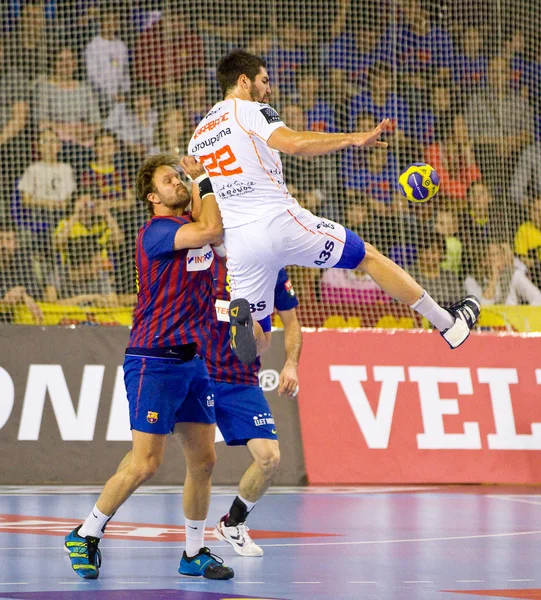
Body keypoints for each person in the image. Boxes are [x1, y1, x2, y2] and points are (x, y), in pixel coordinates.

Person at [188, 50, 480, 364]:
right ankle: (448, 324)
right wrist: (354, 138)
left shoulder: (197, 138)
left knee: (260, 342)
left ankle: (242, 326)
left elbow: (201, 212)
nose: (269, 89)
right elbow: (295, 143)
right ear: (243, 81)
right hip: (278, 221)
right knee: (367, 256)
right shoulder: (249, 109)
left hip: (240, 244)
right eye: (264, 80)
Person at [64, 154, 233, 580]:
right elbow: (212, 228)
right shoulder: (158, 231)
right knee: (145, 464)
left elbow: (219, 229)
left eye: (179, 177)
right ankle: (86, 533)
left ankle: (194, 553)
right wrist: (201, 176)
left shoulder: (191, 226)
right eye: (169, 180)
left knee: (205, 461)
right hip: (153, 360)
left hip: (192, 361)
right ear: (153, 197)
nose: (178, 182)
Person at [209, 261, 301, 557]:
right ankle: (95, 527)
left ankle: (232, 524)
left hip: (240, 380)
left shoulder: (269, 268)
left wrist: (290, 364)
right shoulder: (203, 258)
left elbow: (288, 324)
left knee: (269, 458)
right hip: (196, 372)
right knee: (150, 459)